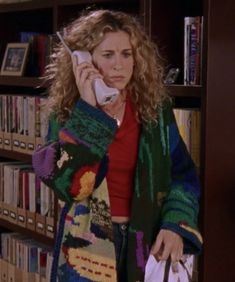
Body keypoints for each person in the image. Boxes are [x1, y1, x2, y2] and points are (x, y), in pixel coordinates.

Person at [32, 9, 202, 282]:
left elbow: (184, 176)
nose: (119, 65)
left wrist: (175, 225)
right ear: (84, 61)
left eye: (127, 54)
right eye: (108, 55)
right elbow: (71, 187)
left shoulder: (155, 112)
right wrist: (90, 111)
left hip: (146, 243)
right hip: (88, 247)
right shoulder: (67, 115)